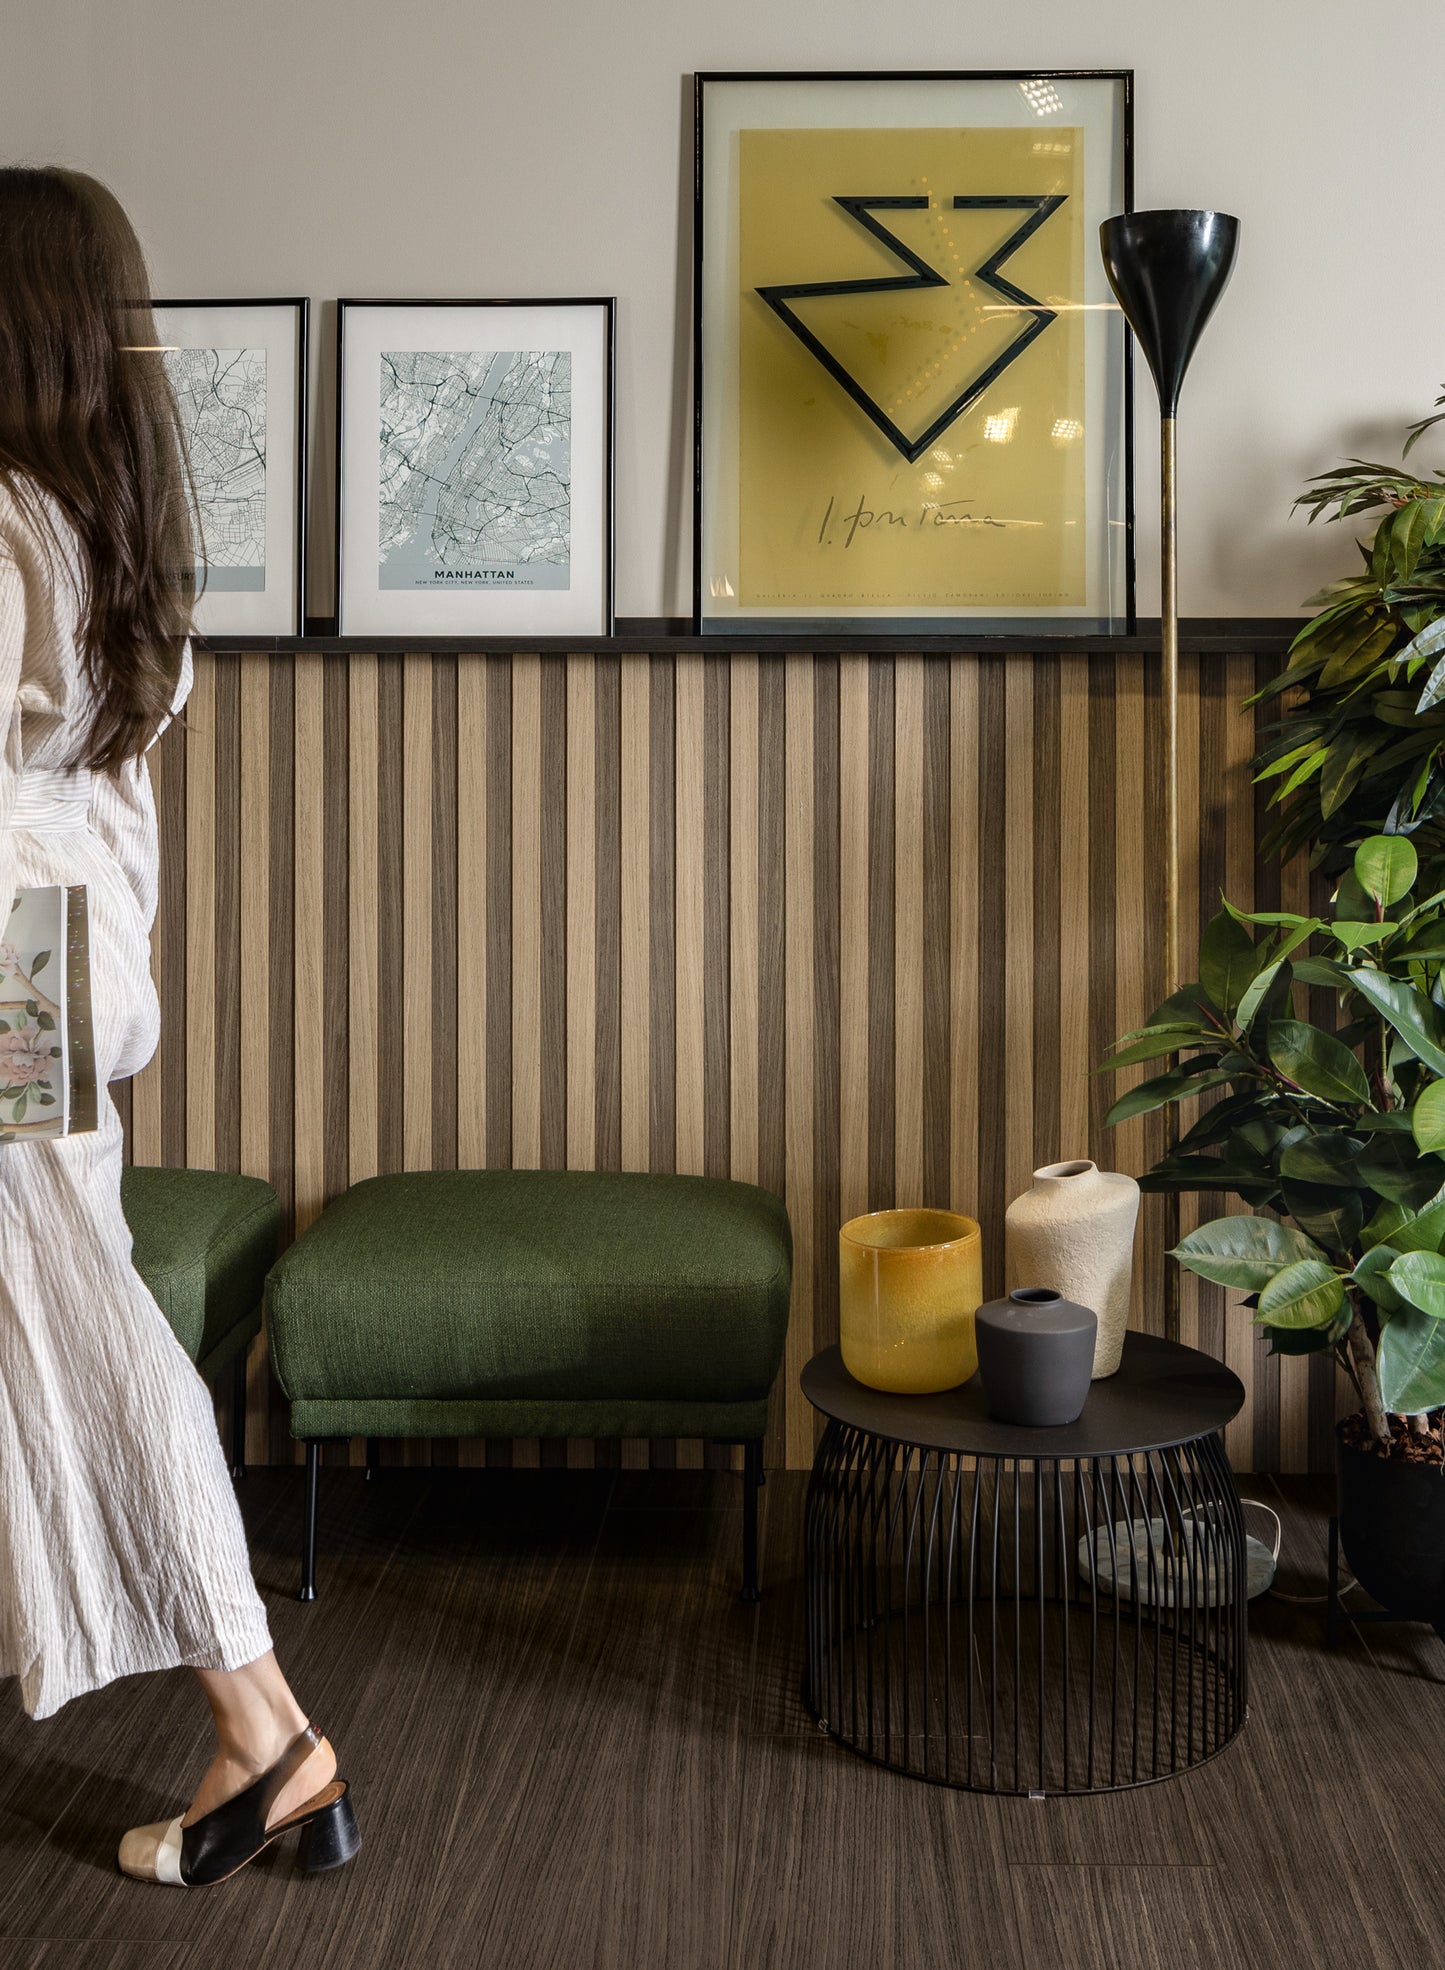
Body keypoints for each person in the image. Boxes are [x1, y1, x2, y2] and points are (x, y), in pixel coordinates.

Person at [0, 166, 356, 1888]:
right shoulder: (109, 522)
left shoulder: (2, 518)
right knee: (62, 1299)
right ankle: (259, 1725)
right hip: (57, 954)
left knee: (68, 1311)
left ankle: (260, 1723)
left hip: (8, 960)